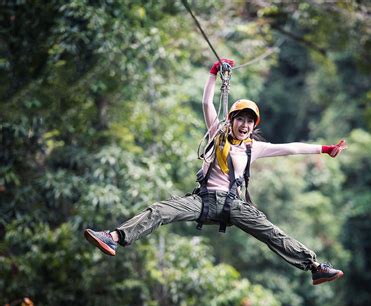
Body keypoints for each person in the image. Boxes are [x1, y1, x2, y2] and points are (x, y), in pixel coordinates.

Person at [84, 58, 347, 286]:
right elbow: (207, 102)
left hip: (234, 205)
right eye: (240, 119)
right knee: (160, 210)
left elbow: (291, 148)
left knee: (271, 232)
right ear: (231, 120)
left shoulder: (253, 148)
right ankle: (114, 236)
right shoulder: (216, 135)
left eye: (249, 121)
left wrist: (325, 149)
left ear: (253, 125)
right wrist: (213, 74)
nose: (244, 125)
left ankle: (315, 267)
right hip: (204, 200)